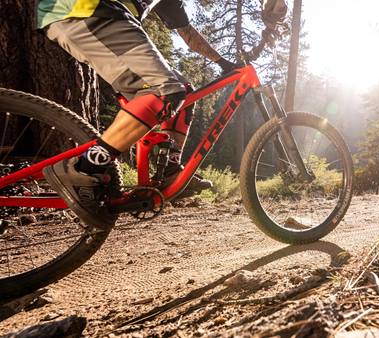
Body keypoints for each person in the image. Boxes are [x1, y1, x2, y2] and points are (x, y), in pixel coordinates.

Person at [37, 0, 286, 228]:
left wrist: (223, 63)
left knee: (183, 93)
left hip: (98, 17)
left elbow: (187, 34)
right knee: (165, 91)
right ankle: (84, 168)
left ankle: (168, 170)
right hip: (88, 10)